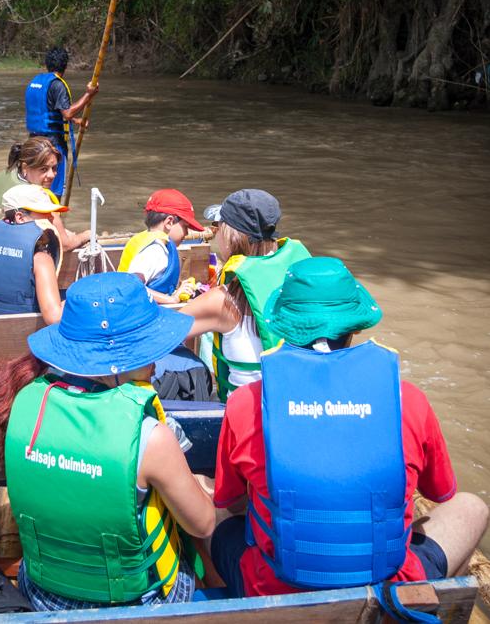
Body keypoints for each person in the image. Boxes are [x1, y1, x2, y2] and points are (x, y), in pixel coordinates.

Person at [210, 256, 489, 598]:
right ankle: (433, 606)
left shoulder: (246, 403)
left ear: (283, 327)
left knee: (216, 513)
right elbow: (439, 493)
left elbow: (233, 502)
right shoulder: (408, 399)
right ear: (356, 328)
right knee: (472, 508)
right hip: (389, 588)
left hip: (274, 588)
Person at [0, 272, 215, 610]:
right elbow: (202, 522)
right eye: (147, 349)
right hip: (137, 601)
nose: (155, 361)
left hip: (43, 593)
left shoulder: (23, 404)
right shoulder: (150, 437)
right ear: (118, 362)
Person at [181, 189, 310, 399]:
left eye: (218, 226)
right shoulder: (298, 286)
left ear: (231, 236)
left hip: (245, 423)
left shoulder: (223, 300)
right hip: (291, 408)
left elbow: (157, 336)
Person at [0, 136, 91, 251]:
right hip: (11, 258)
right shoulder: (32, 194)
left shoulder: (8, 172)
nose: (52, 175)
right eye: (44, 169)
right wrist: (86, 235)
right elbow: (65, 245)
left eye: (54, 168)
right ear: (25, 167)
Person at [0, 184, 64, 324]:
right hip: (24, 341)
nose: (52, 218)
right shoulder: (41, 259)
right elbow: (54, 318)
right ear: (20, 218)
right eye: (45, 213)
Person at [25, 47, 98, 198]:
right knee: (53, 193)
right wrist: (88, 95)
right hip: (53, 146)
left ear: (47, 64)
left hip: (33, 144)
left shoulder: (35, 82)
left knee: (34, 189)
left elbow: (48, 112)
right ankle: (52, 219)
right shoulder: (57, 85)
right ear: (65, 65)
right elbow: (67, 113)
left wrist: (77, 121)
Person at [118, 189, 204, 304]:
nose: (187, 233)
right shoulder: (155, 250)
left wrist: (178, 291)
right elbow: (131, 286)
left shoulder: (144, 239)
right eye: (185, 227)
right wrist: (172, 299)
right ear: (169, 222)